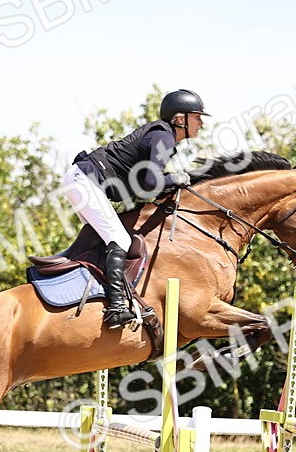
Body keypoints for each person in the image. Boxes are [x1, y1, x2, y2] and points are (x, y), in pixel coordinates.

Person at [62, 89, 209, 328]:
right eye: (197, 117)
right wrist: (177, 179)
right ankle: (117, 308)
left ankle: (95, 293)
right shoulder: (164, 137)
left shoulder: (162, 136)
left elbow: (144, 186)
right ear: (180, 119)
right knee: (119, 238)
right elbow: (151, 182)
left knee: (106, 239)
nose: (201, 122)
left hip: (82, 180)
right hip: (86, 181)